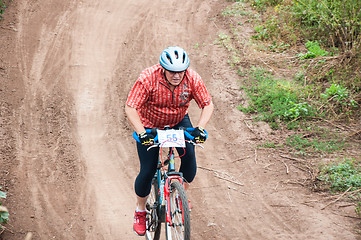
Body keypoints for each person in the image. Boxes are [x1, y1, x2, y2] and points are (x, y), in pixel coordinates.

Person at [125, 46, 214, 236]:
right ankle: (140, 211)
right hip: (150, 124)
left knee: (190, 159)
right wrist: (141, 133)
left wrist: (200, 128)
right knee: (147, 170)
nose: (177, 75)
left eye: (181, 71)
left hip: (178, 121)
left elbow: (207, 104)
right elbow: (131, 107)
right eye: (172, 71)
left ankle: (178, 195)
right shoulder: (148, 78)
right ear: (162, 68)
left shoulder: (193, 79)